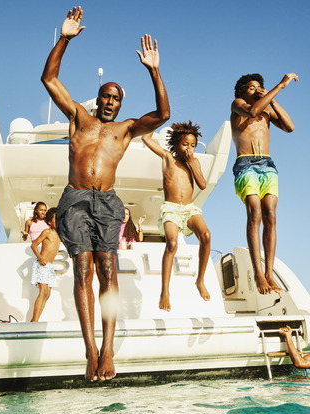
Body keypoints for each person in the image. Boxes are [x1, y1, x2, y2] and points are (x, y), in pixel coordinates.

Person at [41, 6, 170, 381]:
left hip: (108, 202)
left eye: (116, 96)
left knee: (108, 269)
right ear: (98, 99)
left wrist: (154, 70)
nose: (110, 100)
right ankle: (91, 351)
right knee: (82, 268)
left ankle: (109, 348)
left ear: (121, 103)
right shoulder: (79, 117)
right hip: (76, 198)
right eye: (105, 95)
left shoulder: (127, 129)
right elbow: (49, 78)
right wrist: (64, 38)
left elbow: (162, 113)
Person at [230, 73, 298, 294]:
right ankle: (258, 273)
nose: (256, 90)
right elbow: (251, 111)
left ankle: (269, 272)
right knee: (255, 213)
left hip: (267, 164)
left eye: (259, 87)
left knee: (270, 214)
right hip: (245, 163)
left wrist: (273, 99)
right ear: (242, 91)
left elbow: (289, 127)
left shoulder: (267, 110)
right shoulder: (238, 104)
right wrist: (280, 85)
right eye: (251, 87)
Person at [141, 123, 211, 311]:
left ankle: (200, 280)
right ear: (176, 144)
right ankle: (165, 291)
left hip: (188, 208)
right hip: (171, 208)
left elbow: (202, 185)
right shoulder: (167, 158)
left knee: (206, 236)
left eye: (193, 145)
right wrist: (156, 121)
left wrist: (191, 163)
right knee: (172, 243)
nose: (189, 148)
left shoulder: (194, 162)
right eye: (185, 144)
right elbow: (145, 139)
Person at [30, 208, 60, 322]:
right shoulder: (47, 232)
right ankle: (34, 320)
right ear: (49, 222)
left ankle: (36, 319)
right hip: (41, 264)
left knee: (47, 294)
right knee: (43, 292)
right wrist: (40, 257)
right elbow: (33, 246)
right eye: (56, 219)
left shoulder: (59, 235)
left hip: (49, 267)